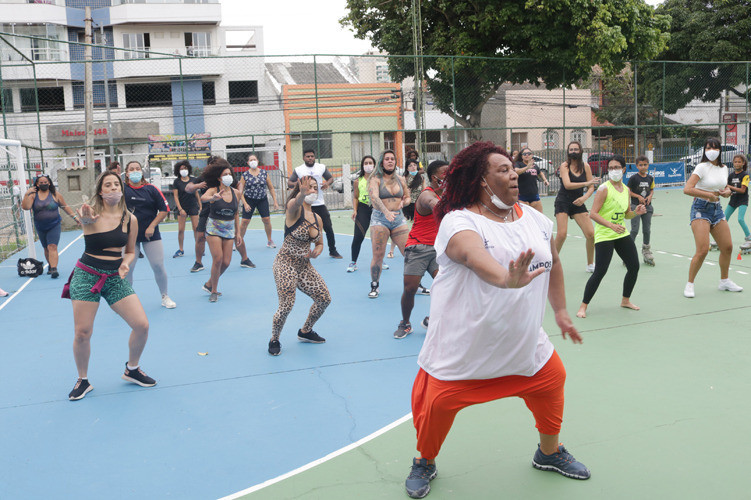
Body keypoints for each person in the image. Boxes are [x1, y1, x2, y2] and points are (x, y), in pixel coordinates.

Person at [404, 142, 588, 499]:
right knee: (437, 407)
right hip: (465, 349)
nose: (513, 173)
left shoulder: (535, 218)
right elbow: (472, 255)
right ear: (481, 181)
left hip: (522, 344)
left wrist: (561, 312)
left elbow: (554, 264)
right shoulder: (461, 221)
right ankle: (424, 460)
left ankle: (548, 453)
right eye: (502, 170)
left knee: (552, 380)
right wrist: (506, 278)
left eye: (512, 167)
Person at [65, 171, 156, 401]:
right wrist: (84, 218)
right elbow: (85, 221)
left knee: (142, 325)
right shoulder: (91, 213)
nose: (113, 188)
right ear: (101, 191)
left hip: (115, 277)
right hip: (87, 275)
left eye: (117, 184)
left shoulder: (130, 219)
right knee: (83, 332)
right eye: (108, 185)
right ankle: (82, 380)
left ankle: (132, 369)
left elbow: (131, 251)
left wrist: (125, 264)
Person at [576, 155, 646, 319]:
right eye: (611, 168)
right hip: (605, 234)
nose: (613, 170)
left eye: (617, 167)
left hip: (621, 233)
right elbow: (592, 214)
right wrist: (611, 225)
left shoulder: (627, 190)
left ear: (623, 169)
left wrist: (636, 212)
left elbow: (627, 214)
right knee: (600, 271)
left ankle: (625, 300)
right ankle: (583, 306)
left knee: (634, 266)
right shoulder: (604, 189)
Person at [268, 176, 331, 356]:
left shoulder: (317, 218)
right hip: (285, 263)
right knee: (287, 305)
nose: (312, 190)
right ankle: (274, 339)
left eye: (314, 188)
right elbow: (294, 205)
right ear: (300, 189)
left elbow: (319, 243)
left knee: (324, 298)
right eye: (308, 187)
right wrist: (301, 195)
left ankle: (305, 331)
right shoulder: (293, 210)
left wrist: (317, 250)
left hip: (304, 266)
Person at [393, 160, 448, 339]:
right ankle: (405, 323)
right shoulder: (427, 195)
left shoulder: (445, 194)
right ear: (435, 177)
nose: (449, 176)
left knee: (447, 286)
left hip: (437, 250)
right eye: (446, 174)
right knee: (410, 289)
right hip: (418, 248)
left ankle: (432, 319)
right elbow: (436, 206)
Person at [683, 137, 743, 297]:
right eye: (708, 148)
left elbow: (723, 188)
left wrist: (727, 192)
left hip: (717, 210)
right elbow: (687, 189)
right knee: (702, 250)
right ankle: (690, 284)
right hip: (700, 209)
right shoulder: (701, 167)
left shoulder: (724, 168)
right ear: (704, 150)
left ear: (719, 151)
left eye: (714, 148)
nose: (711, 151)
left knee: (728, 247)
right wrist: (708, 195)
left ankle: (724, 281)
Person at [123, 161, 177, 308]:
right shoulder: (121, 189)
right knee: (127, 268)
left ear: (142, 172)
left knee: (158, 265)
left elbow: (164, 210)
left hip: (150, 234)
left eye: (137, 169)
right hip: (129, 235)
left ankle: (165, 296)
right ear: (126, 173)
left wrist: (152, 226)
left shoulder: (151, 189)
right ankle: (127, 301)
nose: (135, 171)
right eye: (131, 169)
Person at [186, 156, 255, 271]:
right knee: (200, 237)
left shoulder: (227, 178)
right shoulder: (204, 179)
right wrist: (197, 186)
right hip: (208, 212)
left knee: (235, 235)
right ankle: (198, 262)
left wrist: (238, 194)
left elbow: (240, 184)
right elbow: (188, 188)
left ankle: (245, 258)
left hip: (225, 211)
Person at [367, 149, 411, 298]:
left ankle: (415, 283)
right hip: (380, 218)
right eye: (387, 159)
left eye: (392, 159)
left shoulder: (401, 179)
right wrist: (386, 212)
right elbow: (374, 198)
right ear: (382, 162)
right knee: (378, 254)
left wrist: (404, 203)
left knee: (409, 253)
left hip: (398, 219)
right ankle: (374, 285)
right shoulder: (375, 179)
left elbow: (408, 197)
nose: (390, 161)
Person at [199, 159, 243, 302]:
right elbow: (203, 198)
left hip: (229, 229)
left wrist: (238, 233)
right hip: (214, 228)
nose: (228, 177)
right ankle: (214, 290)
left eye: (229, 174)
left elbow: (236, 213)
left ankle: (209, 283)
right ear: (219, 178)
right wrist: (213, 198)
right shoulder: (214, 190)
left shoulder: (236, 193)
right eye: (225, 174)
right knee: (217, 259)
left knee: (226, 262)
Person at [21, 174, 80, 279]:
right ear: (37, 184)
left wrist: (75, 218)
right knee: (46, 248)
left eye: (45, 182)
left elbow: (65, 207)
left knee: (52, 246)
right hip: (40, 226)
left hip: (54, 225)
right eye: (41, 183)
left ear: (49, 183)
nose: (44, 184)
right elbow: (26, 207)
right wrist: (26, 194)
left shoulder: (55, 194)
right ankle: (50, 266)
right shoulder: (33, 195)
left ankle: (54, 269)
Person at [287, 149, 343, 258]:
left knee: (328, 227)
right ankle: (299, 251)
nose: (310, 158)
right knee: (300, 228)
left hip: (319, 203)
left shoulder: (321, 167)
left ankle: (333, 250)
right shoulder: (299, 170)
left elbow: (330, 178)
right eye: (308, 156)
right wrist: (298, 184)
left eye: (312, 156)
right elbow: (290, 183)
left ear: (314, 157)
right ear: (304, 158)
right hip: (305, 204)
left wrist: (327, 183)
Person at [554, 141, 599, 272]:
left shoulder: (586, 166)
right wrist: (587, 182)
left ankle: (590, 265)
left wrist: (584, 198)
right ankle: (551, 264)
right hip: (563, 201)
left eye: (576, 149)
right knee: (562, 234)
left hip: (578, 202)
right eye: (571, 149)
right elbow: (567, 185)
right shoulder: (564, 166)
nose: (573, 151)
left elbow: (591, 187)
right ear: (568, 152)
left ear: (580, 151)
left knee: (591, 234)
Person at [238, 153, 280, 249]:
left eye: (254, 159)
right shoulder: (245, 175)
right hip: (249, 200)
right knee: (245, 221)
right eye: (251, 160)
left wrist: (275, 201)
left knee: (266, 220)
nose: (253, 161)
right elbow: (240, 191)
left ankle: (269, 240)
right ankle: (239, 241)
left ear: (257, 161)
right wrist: (245, 204)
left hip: (262, 199)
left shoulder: (264, 173)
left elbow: (271, 188)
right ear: (248, 162)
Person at [347, 155, 377, 273]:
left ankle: (379, 260)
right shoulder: (357, 181)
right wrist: (355, 210)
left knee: (377, 237)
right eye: (366, 163)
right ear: (362, 165)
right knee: (358, 236)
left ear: (374, 165)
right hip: (363, 209)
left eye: (370, 163)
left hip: (376, 209)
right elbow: (355, 197)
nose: (368, 165)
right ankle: (353, 262)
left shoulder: (378, 179)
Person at [627, 155, 656, 266]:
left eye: (645, 165)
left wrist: (650, 196)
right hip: (635, 207)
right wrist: (638, 196)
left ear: (648, 165)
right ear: (636, 166)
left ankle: (646, 250)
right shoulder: (633, 178)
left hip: (647, 207)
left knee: (647, 229)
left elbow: (652, 189)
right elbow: (628, 191)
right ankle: (628, 251)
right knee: (635, 230)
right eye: (640, 165)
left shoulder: (650, 178)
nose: (643, 167)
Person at [171, 160, 202, 259]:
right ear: (178, 171)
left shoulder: (193, 180)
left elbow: (197, 193)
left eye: (185, 168)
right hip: (182, 207)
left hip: (193, 206)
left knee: (195, 228)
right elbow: (175, 197)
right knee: (181, 229)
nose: (183, 170)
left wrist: (200, 205)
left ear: (188, 169)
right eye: (181, 169)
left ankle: (198, 248)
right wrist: (180, 209)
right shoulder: (176, 182)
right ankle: (181, 249)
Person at [725, 154, 750, 250]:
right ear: (733, 163)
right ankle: (721, 239)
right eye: (735, 162)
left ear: (743, 163)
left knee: (740, 219)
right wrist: (726, 192)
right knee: (723, 219)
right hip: (733, 200)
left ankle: (749, 238)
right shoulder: (730, 176)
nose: (737, 163)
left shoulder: (745, 175)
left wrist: (729, 187)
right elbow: (727, 188)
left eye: (739, 161)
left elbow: (742, 190)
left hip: (742, 200)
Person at [513, 147, 549, 213]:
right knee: (525, 219)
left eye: (529, 153)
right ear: (521, 156)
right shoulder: (518, 164)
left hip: (534, 195)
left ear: (532, 155)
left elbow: (540, 172)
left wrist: (545, 180)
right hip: (522, 197)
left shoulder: (534, 165)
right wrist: (527, 167)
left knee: (540, 217)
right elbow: (516, 172)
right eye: (525, 154)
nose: (527, 155)